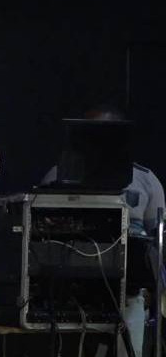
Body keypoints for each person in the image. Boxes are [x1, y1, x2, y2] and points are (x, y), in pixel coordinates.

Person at [40, 104, 165, 357]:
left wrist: (156, 289)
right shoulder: (58, 177)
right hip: (70, 290)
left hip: (127, 289)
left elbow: (158, 239)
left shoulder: (146, 180)